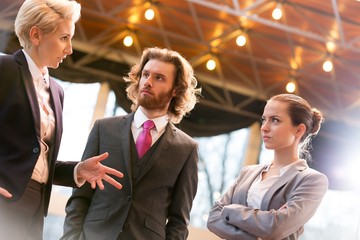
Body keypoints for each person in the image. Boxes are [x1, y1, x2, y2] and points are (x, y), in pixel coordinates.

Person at [0, 0, 124, 239]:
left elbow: (34, 157)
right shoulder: (3, 69)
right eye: (64, 38)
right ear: (36, 34)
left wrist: (77, 170)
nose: (70, 49)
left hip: (35, 209)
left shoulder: (57, 91)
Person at [61, 47, 202, 240]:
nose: (148, 82)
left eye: (159, 78)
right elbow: (80, 195)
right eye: (145, 75)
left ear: (176, 90)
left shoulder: (187, 149)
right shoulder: (104, 128)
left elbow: (179, 220)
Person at [207, 93, 329, 240]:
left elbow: (275, 227)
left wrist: (230, 211)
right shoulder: (248, 172)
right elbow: (213, 218)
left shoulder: (311, 180)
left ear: (299, 130)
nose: (264, 127)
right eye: (264, 119)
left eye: (275, 120)